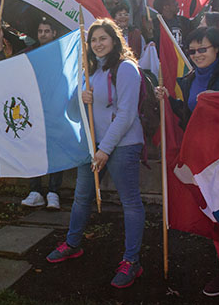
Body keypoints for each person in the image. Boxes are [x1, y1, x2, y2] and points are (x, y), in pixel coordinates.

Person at [154, 27, 219, 305]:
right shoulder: (188, 80)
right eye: (193, 50)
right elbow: (189, 115)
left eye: (203, 49)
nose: (197, 55)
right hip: (200, 158)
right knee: (213, 217)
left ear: (216, 49)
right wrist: (169, 101)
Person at [46, 18, 145, 289]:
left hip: (122, 145)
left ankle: (131, 261)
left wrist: (105, 150)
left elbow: (126, 115)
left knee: (130, 203)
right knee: (81, 197)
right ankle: (73, 243)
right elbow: (74, 112)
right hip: (93, 145)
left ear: (114, 40)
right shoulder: (90, 71)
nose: (98, 44)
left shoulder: (126, 69)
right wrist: (82, 99)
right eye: (93, 40)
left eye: (103, 38)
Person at [21, 19, 64, 209]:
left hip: (55, 108)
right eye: (40, 31)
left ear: (54, 33)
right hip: (33, 109)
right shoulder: (30, 54)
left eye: (47, 31)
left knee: (54, 150)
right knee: (33, 149)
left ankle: (53, 192)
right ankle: (35, 191)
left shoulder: (63, 52)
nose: (43, 34)